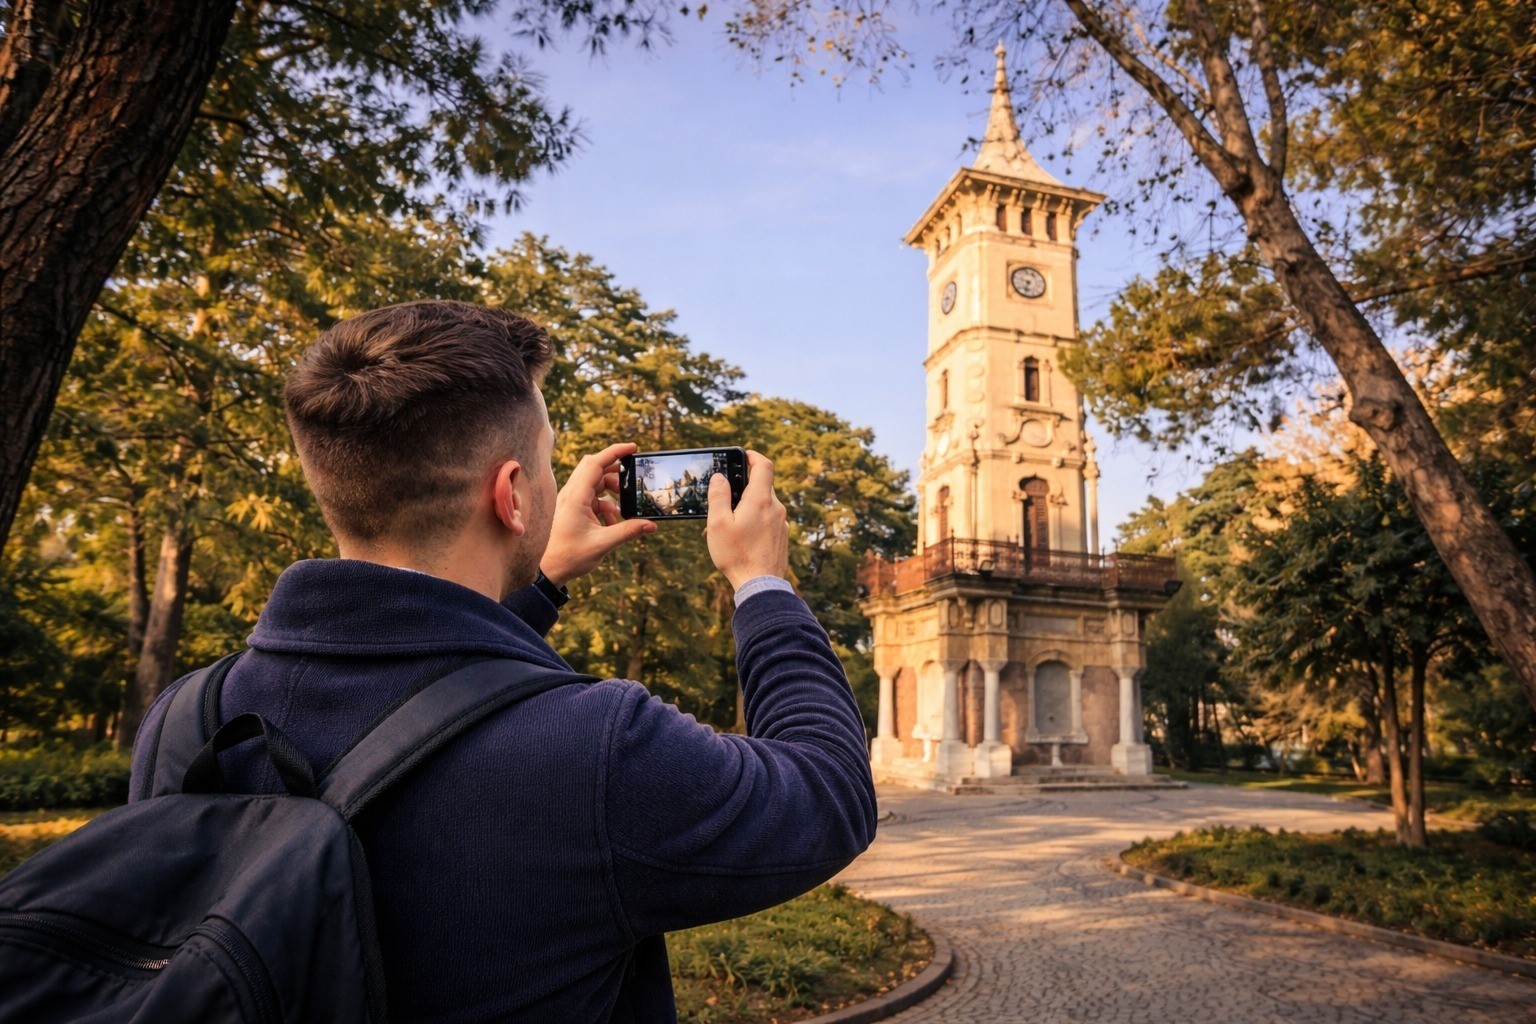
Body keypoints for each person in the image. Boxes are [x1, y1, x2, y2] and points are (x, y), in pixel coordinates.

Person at [127, 300, 878, 1023]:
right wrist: (762, 585)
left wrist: (542, 581)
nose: (555, 484)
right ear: (513, 495)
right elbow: (828, 793)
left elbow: (423, 699)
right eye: (546, 465)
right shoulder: (596, 749)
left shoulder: (191, 718)